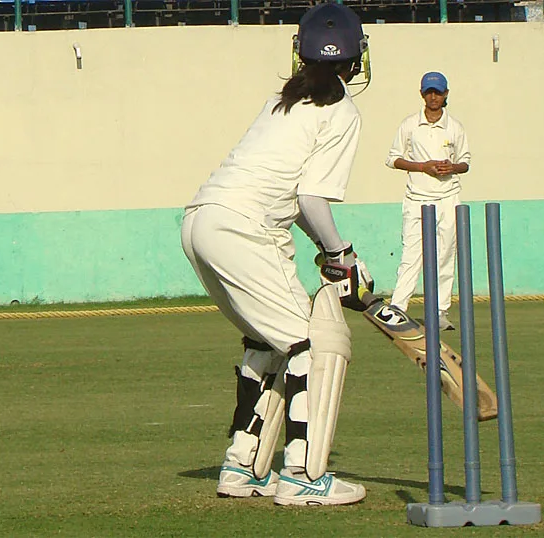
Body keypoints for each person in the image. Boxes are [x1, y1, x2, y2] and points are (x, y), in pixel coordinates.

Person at [181, 3, 372, 506]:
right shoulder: (342, 111)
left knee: (268, 341)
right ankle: (303, 477)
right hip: (247, 230)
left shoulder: (281, 103)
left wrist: (334, 253)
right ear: (356, 59)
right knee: (313, 345)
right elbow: (311, 197)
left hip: (201, 221)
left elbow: (297, 196)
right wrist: (342, 253)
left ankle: (241, 468)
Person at [386, 72, 471, 331]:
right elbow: (393, 159)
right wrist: (422, 167)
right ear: (422, 94)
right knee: (411, 255)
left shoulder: (455, 127)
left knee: (445, 254)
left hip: (447, 197)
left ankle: (439, 311)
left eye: (438, 92)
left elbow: (466, 162)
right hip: (416, 199)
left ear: (446, 94)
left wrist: (451, 168)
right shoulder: (410, 125)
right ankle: (398, 308)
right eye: (429, 92)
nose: (433, 97)